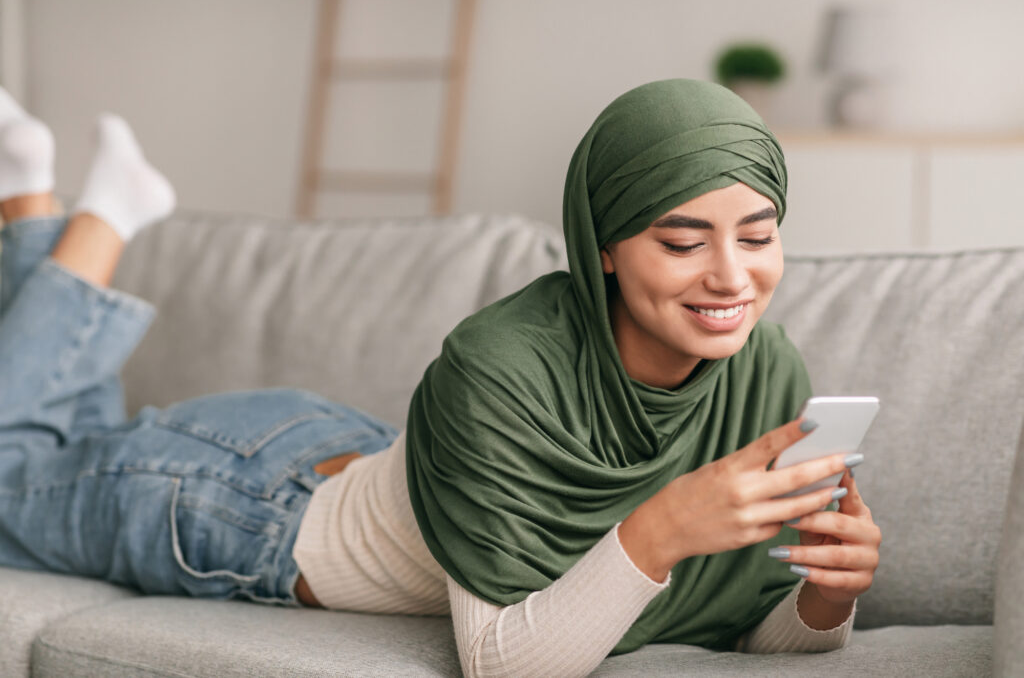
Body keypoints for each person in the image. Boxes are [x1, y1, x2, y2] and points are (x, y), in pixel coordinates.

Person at [0, 78, 880, 677]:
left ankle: (33, 198)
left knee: (55, 447)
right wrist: (662, 529)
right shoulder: (499, 365)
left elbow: (747, 628)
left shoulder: (763, 372)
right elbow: (502, 660)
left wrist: (826, 595)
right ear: (602, 246)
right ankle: (104, 216)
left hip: (352, 451)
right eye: (684, 243)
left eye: (758, 237)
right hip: (239, 503)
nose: (732, 277)